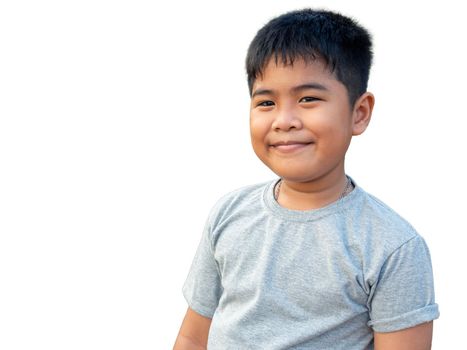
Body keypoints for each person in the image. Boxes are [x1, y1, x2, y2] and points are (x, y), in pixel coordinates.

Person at [173, 8, 439, 350]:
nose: (284, 120)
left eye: (308, 99)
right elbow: (193, 337)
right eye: (266, 102)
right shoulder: (229, 214)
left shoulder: (393, 247)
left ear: (359, 113)